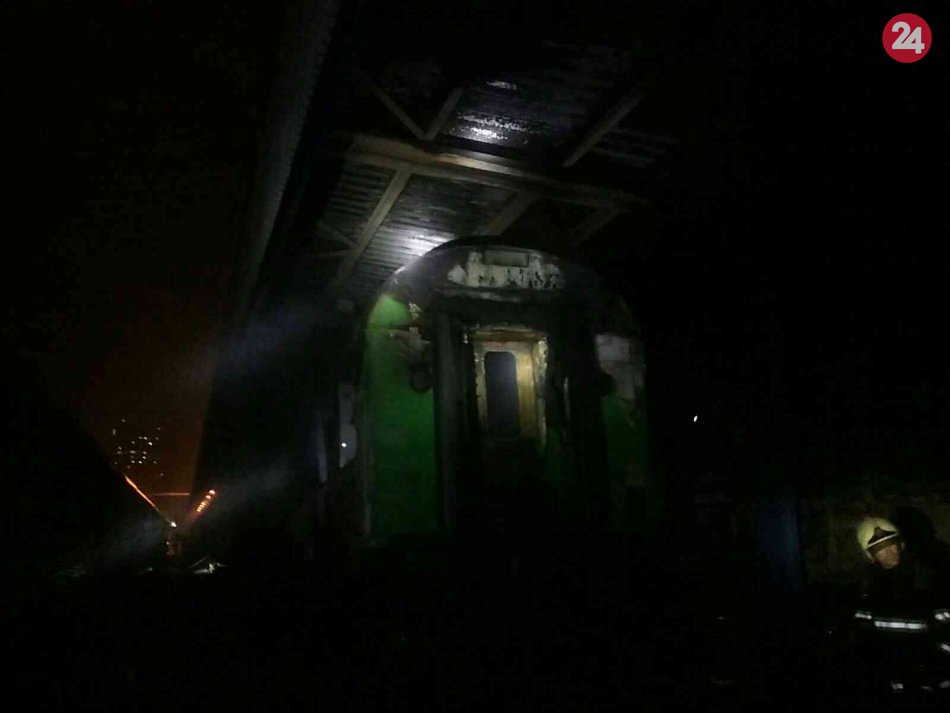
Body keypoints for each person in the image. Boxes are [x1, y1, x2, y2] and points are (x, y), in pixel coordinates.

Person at [851, 516, 950, 698]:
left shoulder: (928, 579)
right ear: (870, 555)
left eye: (892, 544)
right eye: (879, 549)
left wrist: (934, 668)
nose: (889, 552)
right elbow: (864, 637)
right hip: (892, 686)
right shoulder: (868, 588)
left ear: (901, 544)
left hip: (930, 685)